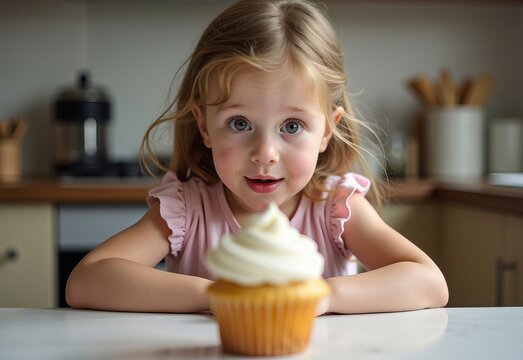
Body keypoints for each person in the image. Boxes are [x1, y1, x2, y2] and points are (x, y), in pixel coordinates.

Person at [66, 0, 448, 314]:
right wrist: (213, 296)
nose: (265, 154)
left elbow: (429, 281)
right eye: (239, 123)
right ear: (204, 126)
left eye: (293, 126)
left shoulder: (334, 207)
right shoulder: (186, 210)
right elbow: (87, 280)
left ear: (327, 131)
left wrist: (322, 296)